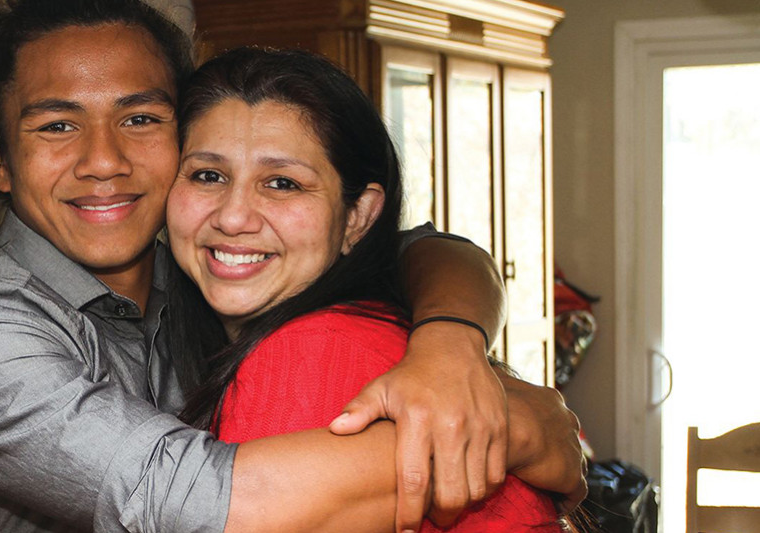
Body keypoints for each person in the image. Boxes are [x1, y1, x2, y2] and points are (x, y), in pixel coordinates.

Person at [0, 1, 585, 531]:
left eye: (140, 119)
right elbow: (185, 501)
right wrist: (512, 425)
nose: (104, 160)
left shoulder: (199, 271)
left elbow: (428, 248)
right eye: (57, 125)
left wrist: (450, 342)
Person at [166, 47, 565, 532]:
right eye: (208, 175)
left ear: (358, 217)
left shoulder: (311, 352)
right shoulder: (350, 322)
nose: (232, 216)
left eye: (282, 183)